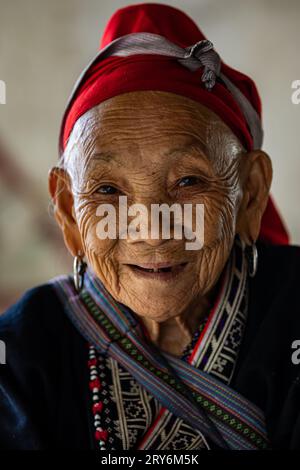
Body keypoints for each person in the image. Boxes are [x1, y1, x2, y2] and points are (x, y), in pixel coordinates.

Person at [0, 3, 299, 451]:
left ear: (250, 192)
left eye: (188, 181)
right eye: (106, 191)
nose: (153, 230)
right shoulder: (22, 353)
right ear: (67, 210)